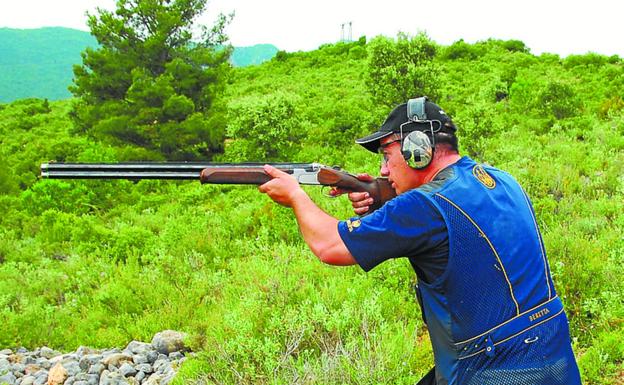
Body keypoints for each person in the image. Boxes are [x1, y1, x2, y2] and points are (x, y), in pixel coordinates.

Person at [258, 97, 582, 385]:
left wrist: (296, 196)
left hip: (489, 370)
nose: (384, 170)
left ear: (418, 150)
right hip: (553, 359)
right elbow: (457, 229)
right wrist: (385, 202)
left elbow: (329, 246)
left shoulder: (422, 207)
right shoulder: (499, 178)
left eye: (387, 156)